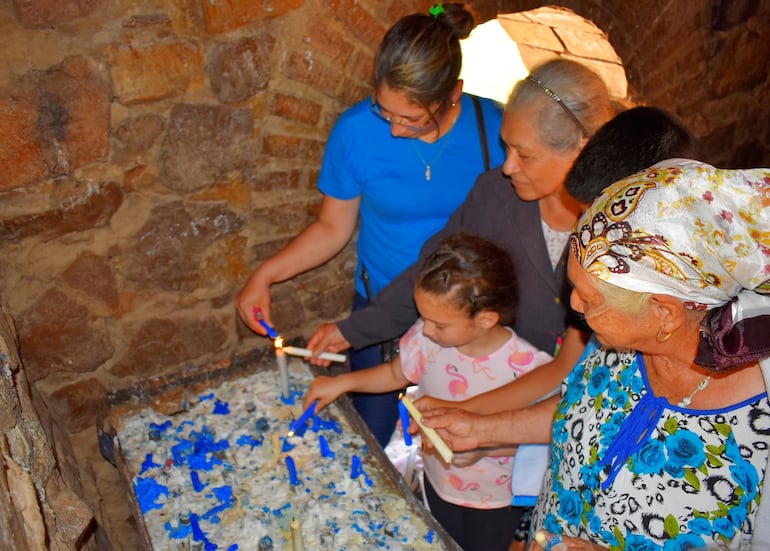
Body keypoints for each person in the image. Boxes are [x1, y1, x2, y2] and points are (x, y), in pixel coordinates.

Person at [419, 158, 770, 549]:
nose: (574, 305)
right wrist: (482, 429)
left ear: (664, 313)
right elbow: (578, 411)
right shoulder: (619, 345)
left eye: (590, 299)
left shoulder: (757, 430)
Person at [234, 3, 505, 447]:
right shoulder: (357, 131)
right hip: (380, 310)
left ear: (453, 93)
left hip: (469, 316)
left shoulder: (493, 130)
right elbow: (331, 229)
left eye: (413, 119)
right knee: (372, 434)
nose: (395, 130)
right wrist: (265, 276)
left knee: (459, 435)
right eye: (386, 111)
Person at [307, 56, 616, 424]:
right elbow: (433, 270)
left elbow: (573, 364)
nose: (508, 166)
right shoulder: (494, 195)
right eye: (506, 147)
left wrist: (463, 412)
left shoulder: (618, 226)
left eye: (526, 154)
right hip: (492, 393)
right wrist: (355, 329)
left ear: (581, 150)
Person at [303, 233, 553, 550]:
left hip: (494, 501)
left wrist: (486, 448)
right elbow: (397, 372)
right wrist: (343, 382)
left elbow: (538, 441)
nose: (426, 329)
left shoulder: (530, 369)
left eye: (439, 324)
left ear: (486, 319)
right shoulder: (426, 336)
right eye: (423, 317)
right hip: (436, 480)